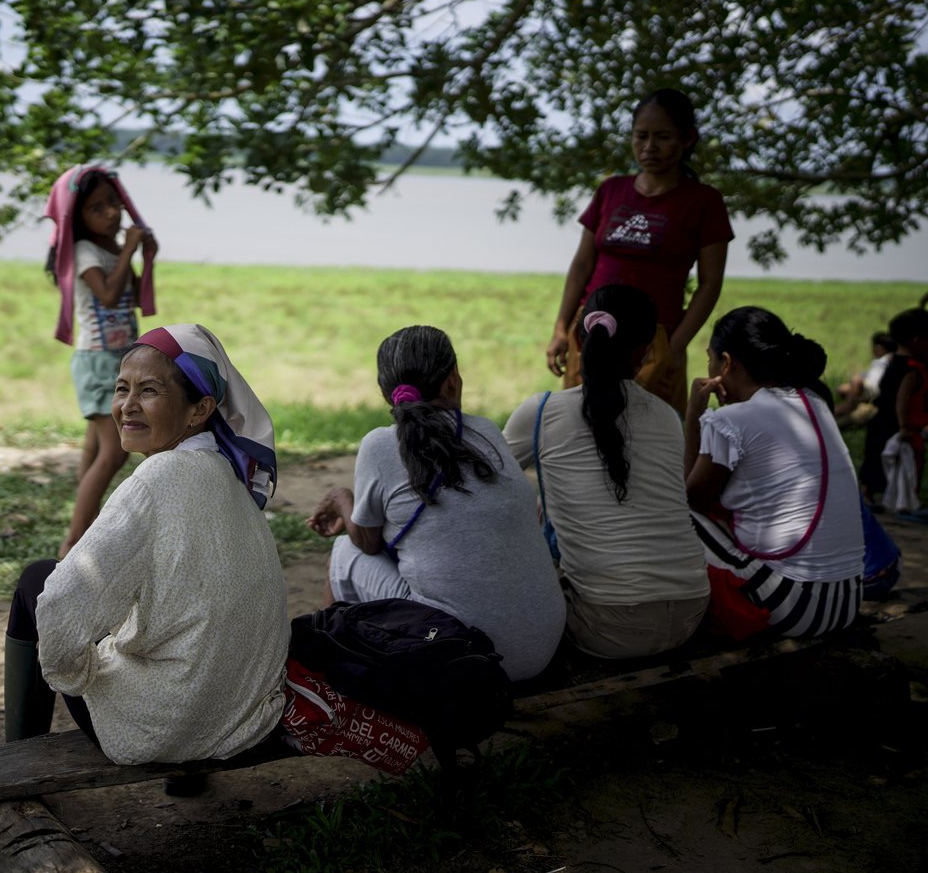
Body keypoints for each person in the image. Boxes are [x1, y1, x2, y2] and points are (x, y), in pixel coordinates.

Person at [2, 324, 287, 766]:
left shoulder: (156, 480)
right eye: (122, 389)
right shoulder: (227, 474)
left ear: (199, 410)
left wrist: (76, 675)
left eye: (149, 390)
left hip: (167, 729)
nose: (127, 407)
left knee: (37, 581)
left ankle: (14, 760)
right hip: (240, 719)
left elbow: (61, 604)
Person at [308, 326, 565, 682]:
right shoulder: (487, 431)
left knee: (343, 554)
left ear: (388, 393)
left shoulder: (380, 445)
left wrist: (342, 499)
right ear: (452, 381)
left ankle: (329, 677)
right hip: (539, 647)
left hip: (462, 659)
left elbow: (365, 542)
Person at [505, 285, 708, 659]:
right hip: (690, 612)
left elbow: (488, 485)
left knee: (527, 515)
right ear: (644, 353)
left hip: (606, 625)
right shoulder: (667, 416)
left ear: (579, 341)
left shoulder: (541, 411)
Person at [545, 88, 734, 412]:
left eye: (662, 137)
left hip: (654, 339)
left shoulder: (703, 201)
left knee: (649, 433)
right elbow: (581, 266)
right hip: (591, 331)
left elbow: (710, 283)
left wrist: (676, 345)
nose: (649, 147)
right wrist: (562, 328)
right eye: (640, 136)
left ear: (687, 139)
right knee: (582, 422)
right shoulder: (610, 190)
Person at [684, 308, 864, 642]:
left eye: (710, 360)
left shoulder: (733, 420)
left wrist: (693, 415)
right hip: (846, 600)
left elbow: (690, 496)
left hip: (792, 607)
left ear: (725, 363)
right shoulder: (813, 402)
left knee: (673, 514)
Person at [44, 164, 158, 558]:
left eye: (113, 203)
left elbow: (130, 292)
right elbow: (108, 296)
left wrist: (146, 257)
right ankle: (75, 542)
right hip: (97, 361)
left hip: (121, 360)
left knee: (95, 451)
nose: (110, 213)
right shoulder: (85, 250)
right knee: (115, 451)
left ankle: (80, 529)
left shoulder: (110, 248)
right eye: (97, 208)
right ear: (78, 218)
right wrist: (129, 249)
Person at [860, 309, 928, 509]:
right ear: (918, 341)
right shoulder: (912, 369)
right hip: (898, 426)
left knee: (876, 459)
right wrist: (905, 425)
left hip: (882, 420)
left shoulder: (892, 362)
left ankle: (872, 495)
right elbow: (902, 399)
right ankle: (901, 499)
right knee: (903, 463)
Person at [835, 331, 895, 427]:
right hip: (868, 386)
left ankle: (848, 407)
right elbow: (872, 373)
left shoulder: (888, 358)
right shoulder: (877, 361)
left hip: (874, 388)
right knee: (842, 389)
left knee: (856, 381)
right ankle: (856, 402)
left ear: (879, 348)